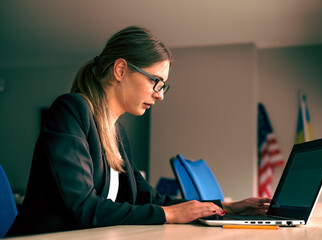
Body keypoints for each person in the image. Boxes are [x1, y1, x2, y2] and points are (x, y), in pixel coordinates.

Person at [6, 26, 270, 236]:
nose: (160, 96)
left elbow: (149, 197)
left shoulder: (117, 134)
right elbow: (82, 207)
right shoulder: (71, 110)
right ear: (121, 69)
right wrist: (168, 214)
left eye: (163, 86)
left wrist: (222, 207)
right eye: (156, 82)